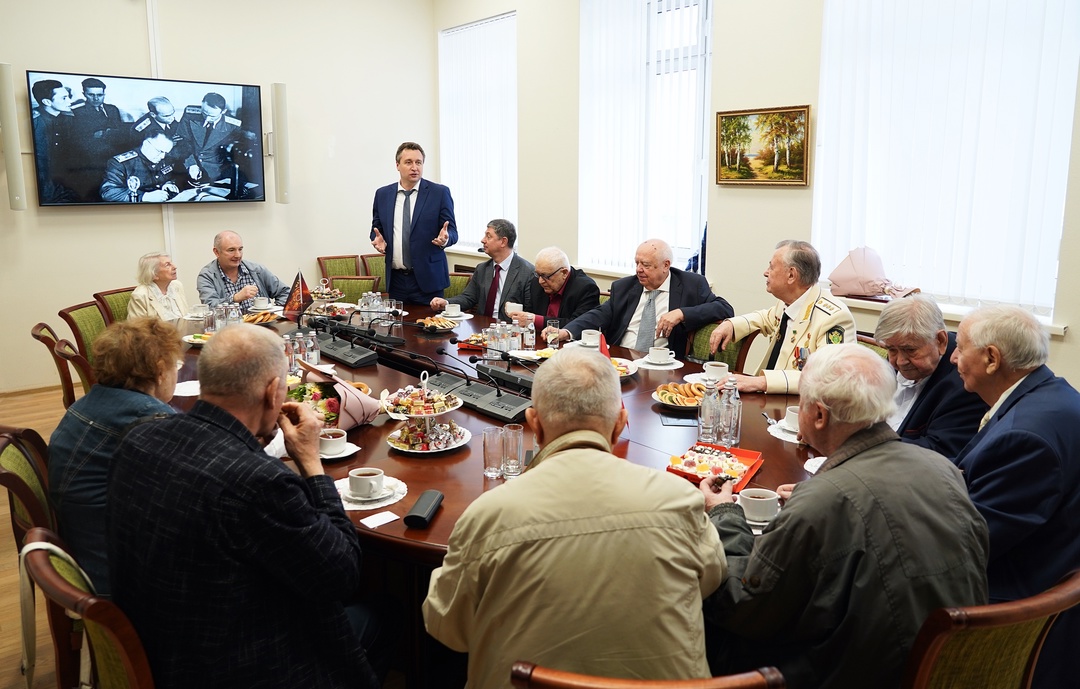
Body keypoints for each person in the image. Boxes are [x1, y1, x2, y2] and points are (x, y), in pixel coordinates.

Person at [423, 347, 725, 689]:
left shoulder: (487, 515)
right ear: (620, 425)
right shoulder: (681, 499)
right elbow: (711, 579)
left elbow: (447, 628)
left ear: (533, 424)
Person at [107, 324, 385, 689]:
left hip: (157, 648)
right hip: (237, 667)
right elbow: (342, 574)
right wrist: (312, 464)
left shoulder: (138, 437)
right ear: (273, 392)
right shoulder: (257, 482)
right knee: (385, 611)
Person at [700, 343, 988, 689]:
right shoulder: (944, 470)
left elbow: (744, 607)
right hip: (951, 669)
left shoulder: (821, 502)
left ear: (819, 415)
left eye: (801, 403)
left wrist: (724, 513)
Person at [950, 305, 1080, 689]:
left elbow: (969, 543)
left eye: (960, 347)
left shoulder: (1026, 436)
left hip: (1014, 610)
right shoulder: (1052, 393)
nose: (953, 358)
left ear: (992, 358)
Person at [48, 318, 181, 596]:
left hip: (87, 548)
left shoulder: (87, 404)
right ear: (159, 371)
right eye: (175, 366)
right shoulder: (149, 418)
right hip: (120, 578)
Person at [709, 240, 854, 394]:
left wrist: (761, 382)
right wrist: (731, 324)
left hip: (800, 408)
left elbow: (829, 378)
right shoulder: (789, 302)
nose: (765, 272)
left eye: (771, 267)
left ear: (791, 275)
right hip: (769, 399)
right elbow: (765, 318)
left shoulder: (834, 317)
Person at [549, 239, 733, 358]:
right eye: (636, 263)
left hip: (662, 366)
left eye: (645, 265)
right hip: (621, 361)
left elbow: (724, 308)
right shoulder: (624, 287)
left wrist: (681, 313)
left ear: (665, 265)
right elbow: (598, 314)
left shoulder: (691, 285)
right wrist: (567, 332)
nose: (638, 269)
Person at [873, 294, 987, 457]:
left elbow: (939, 450)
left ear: (940, 341)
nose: (900, 361)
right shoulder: (895, 360)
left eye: (910, 350)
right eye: (891, 350)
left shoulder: (965, 381)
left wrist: (867, 445)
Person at [370, 142, 457, 304]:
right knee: (397, 327)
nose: (414, 167)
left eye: (419, 162)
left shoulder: (439, 193)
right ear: (397, 165)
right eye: (408, 162)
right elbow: (376, 230)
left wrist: (446, 239)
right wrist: (377, 241)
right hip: (396, 280)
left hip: (429, 280)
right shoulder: (382, 194)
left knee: (430, 326)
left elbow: (452, 231)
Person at [430, 219, 533, 320]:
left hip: (510, 331)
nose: (483, 240)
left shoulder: (527, 272)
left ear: (503, 241)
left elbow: (531, 312)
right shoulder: (482, 269)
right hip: (481, 328)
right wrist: (446, 303)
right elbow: (468, 298)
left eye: (488, 236)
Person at [505, 246, 601, 330]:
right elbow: (530, 313)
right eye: (538, 274)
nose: (540, 281)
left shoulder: (585, 288)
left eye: (546, 276)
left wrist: (536, 320)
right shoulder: (537, 283)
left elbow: (579, 325)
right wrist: (517, 311)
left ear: (564, 273)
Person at [196, 230, 290, 311]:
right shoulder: (207, 276)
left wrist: (274, 313)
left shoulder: (256, 270)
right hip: (227, 329)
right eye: (231, 250)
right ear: (216, 252)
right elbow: (209, 307)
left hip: (261, 327)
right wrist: (236, 298)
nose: (238, 255)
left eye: (240, 249)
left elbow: (286, 293)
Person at [70, 77, 124, 200]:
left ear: (104, 94)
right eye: (91, 95)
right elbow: (78, 140)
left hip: (114, 158)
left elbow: (120, 132)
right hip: (92, 162)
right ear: (84, 94)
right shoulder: (77, 113)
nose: (96, 99)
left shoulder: (112, 109)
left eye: (99, 95)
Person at [174, 92, 242, 184]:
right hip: (188, 167)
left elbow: (232, 153)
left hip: (216, 174)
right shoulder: (190, 114)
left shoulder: (233, 126)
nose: (207, 119)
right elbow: (182, 142)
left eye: (212, 116)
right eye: (204, 113)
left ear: (223, 112)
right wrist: (191, 164)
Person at [30, 79, 79, 203]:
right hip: (44, 185)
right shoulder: (35, 122)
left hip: (67, 181)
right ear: (47, 102)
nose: (69, 101)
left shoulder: (68, 119)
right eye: (64, 98)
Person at [99, 131, 182, 203]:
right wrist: (144, 196)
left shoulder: (164, 159)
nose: (163, 156)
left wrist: (167, 184)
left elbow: (169, 176)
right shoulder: (121, 163)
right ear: (146, 144)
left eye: (166, 152)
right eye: (160, 151)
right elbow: (108, 192)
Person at [129, 252, 190, 320]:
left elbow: (186, 316)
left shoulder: (177, 285)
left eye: (171, 263)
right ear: (154, 274)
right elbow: (138, 328)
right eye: (167, 265)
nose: (175, 267)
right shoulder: (140, 295)